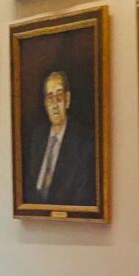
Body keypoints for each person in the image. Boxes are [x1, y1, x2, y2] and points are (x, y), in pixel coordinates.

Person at [24, 71, 96, 206]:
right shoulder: (38, 136)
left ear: (67, 100)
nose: (55, 104)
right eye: (50, 98)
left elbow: (82, 197)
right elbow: (28, 185)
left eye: (59, 97)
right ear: (45, 103)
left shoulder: (83, 143)